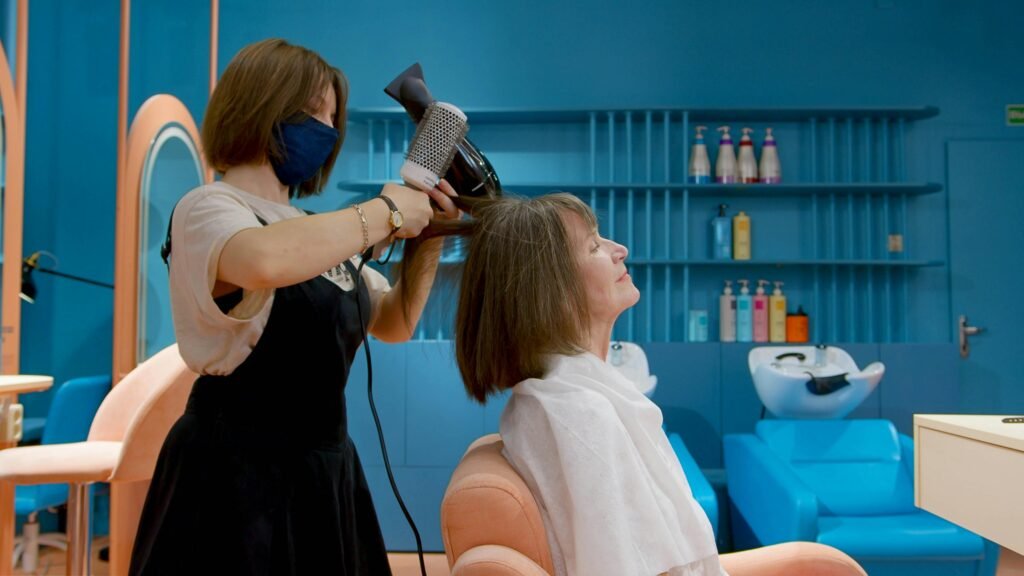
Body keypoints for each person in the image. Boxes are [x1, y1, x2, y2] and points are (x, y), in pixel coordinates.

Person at [129, 38, 457, 576]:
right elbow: (262, 261)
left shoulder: (315, 230)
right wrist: (387, 211)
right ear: (259, 103)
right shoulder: (209, 208)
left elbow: (394, 321)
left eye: (332, 118)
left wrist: (429, 238)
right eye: (310, 112)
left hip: (325, 470)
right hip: (233, 474)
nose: (325, 130)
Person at [452, 194, 867, 576]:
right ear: (551, 291)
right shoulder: (578, 413)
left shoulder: (566, 398)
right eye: (595, 246)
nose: (620, 250)